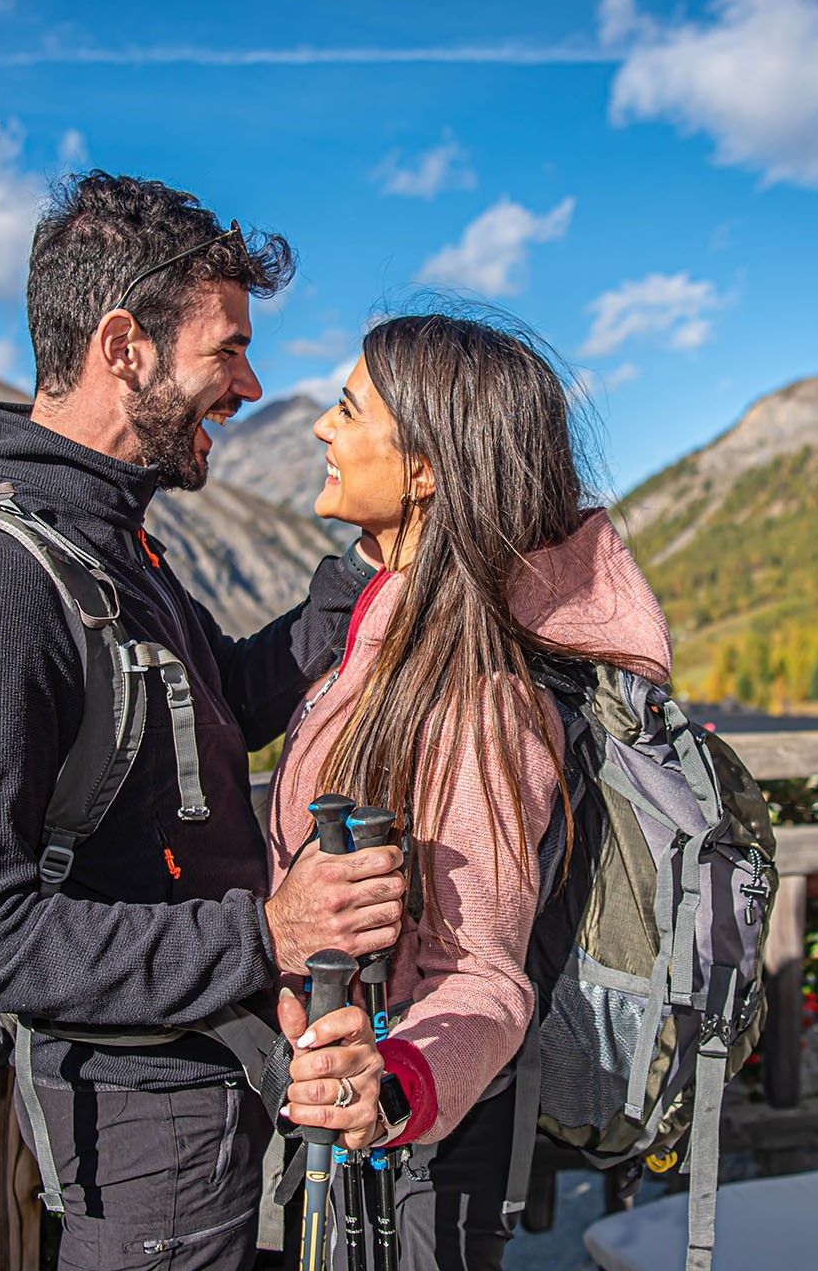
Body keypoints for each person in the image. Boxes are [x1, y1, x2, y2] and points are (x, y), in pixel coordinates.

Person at [0, 173, 404, 1271]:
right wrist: (265, 931)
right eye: (227, 350)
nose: (252, 383)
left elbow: (233, 696)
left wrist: (372, 566)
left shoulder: (111, 540)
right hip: (137, 1114)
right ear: (122, 344)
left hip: (198, 1081)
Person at [266, 313, 675, 1270]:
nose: (323, 428)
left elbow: (485, 972)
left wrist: (398, 1083)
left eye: (347, 408)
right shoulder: (390, 636)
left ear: (426, 470)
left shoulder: (478, 701)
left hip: (408, 1170)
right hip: (359, 1129)